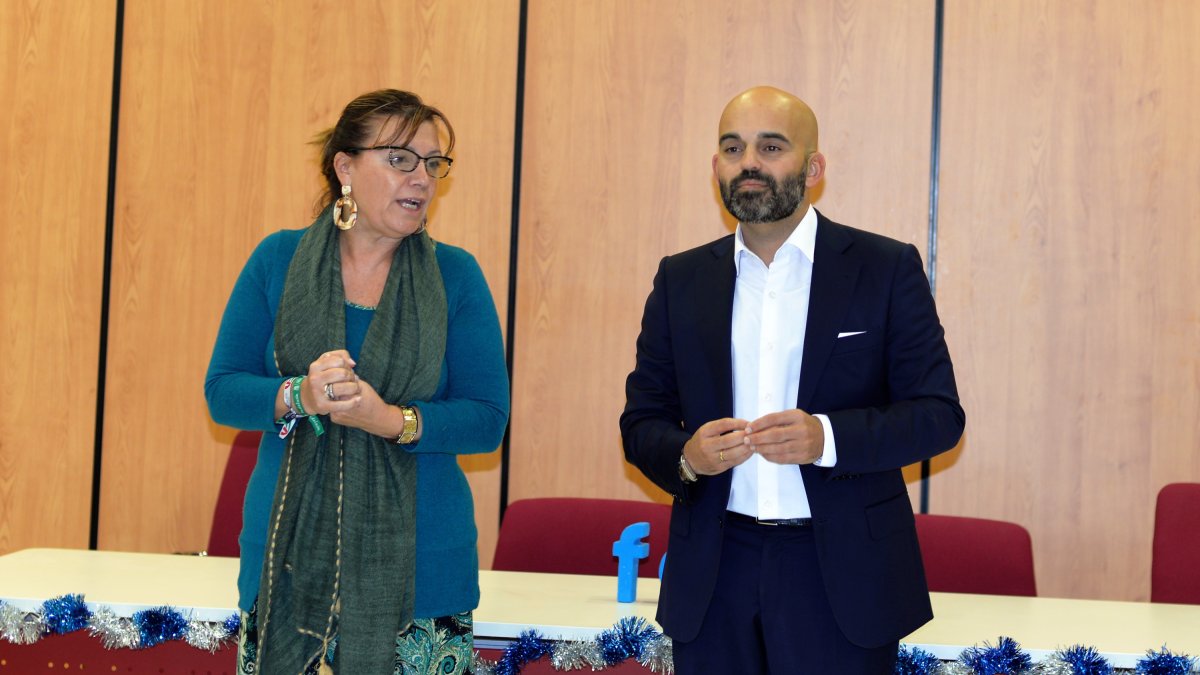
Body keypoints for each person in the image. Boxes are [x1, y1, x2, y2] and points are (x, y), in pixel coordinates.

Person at [620, 86, 965, 673]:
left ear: (813, 168)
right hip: (714, 568)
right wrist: (687, 455)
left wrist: (826, 438)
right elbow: (640, 421)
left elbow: (938, 415)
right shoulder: (680, 279)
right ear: (716, 167)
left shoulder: (884, 268)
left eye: (770, 146)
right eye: (733, 148)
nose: (749, 163)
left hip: (841, 574)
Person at [205, 89, 509, 675]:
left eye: (433, 164)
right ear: (346, 167)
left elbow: (486, 418)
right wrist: (298, 395)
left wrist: (390, 420)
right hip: (287, 564)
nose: (421, 179)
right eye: (400, 160)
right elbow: (223, 389)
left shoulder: (455, 275)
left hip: (421, 576)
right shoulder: (278, 260)